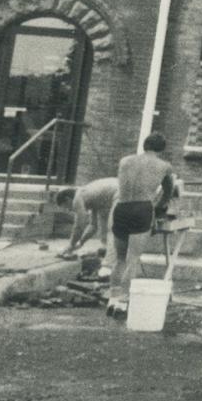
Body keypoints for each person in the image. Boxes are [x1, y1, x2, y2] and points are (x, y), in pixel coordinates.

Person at [107, 135, 177, 318]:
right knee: (133, 258)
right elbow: (169, 191)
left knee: (120, 259)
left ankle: (112, 300)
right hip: (142, 208)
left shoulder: (125, 161)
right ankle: (122, 303)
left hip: (121, 207)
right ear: (161, 149)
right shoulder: (164, 166)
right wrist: (159, 206)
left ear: (144, 145)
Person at [57, 177, 117, 260]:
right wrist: (81, 242)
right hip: (112, 194)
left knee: (111, 227)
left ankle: (111, 256)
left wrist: (71, 245)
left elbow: (79, 226)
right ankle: (108, 250)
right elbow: (93, 226)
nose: (70, 210)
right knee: (104, 221)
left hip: (118, 192)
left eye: (67, 207)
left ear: (68, 199)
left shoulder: (77, 198)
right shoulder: (92, 199)